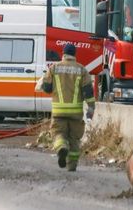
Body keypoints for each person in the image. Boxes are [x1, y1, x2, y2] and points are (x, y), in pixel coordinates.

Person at [41, 43, 96, 172]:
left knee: (58, 134)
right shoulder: (82, 70)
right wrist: (91, 109)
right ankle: (72, 166)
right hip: (76, 113)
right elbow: (88, 92)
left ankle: (61, 148)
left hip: (58, 111)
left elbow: (47, 88)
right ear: (74, 54)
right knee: (74, 139)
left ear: (63, 53)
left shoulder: (54, 68)